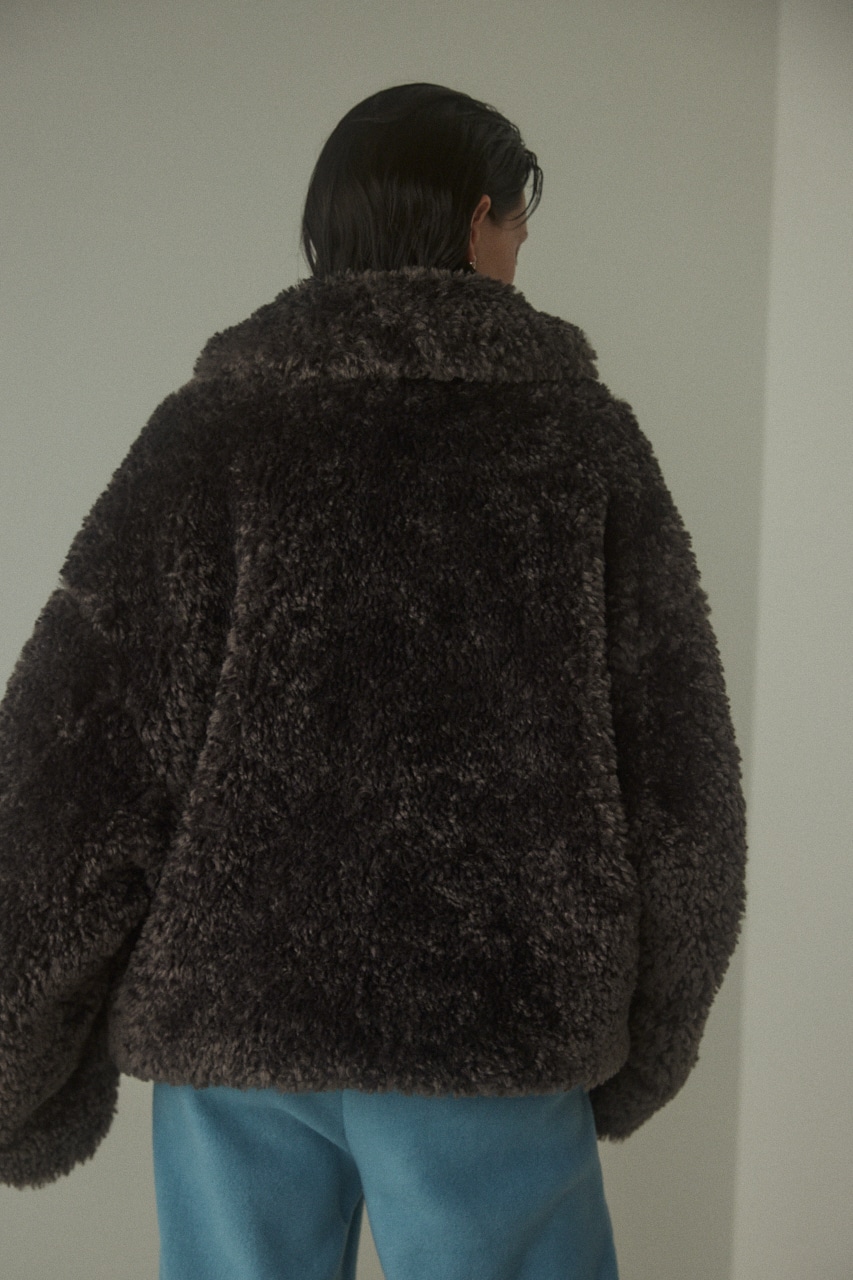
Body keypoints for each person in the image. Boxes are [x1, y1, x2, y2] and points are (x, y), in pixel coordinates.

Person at [0, 83, 747, 1279]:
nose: (519, 251)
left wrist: (20, 1055)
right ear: (475, 218)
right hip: (492, 1025)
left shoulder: (209, 436)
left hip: (232, 1026)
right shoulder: (581, 444)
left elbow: (74, 758)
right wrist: (643, 1036)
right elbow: (682, 781)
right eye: (515, 221)